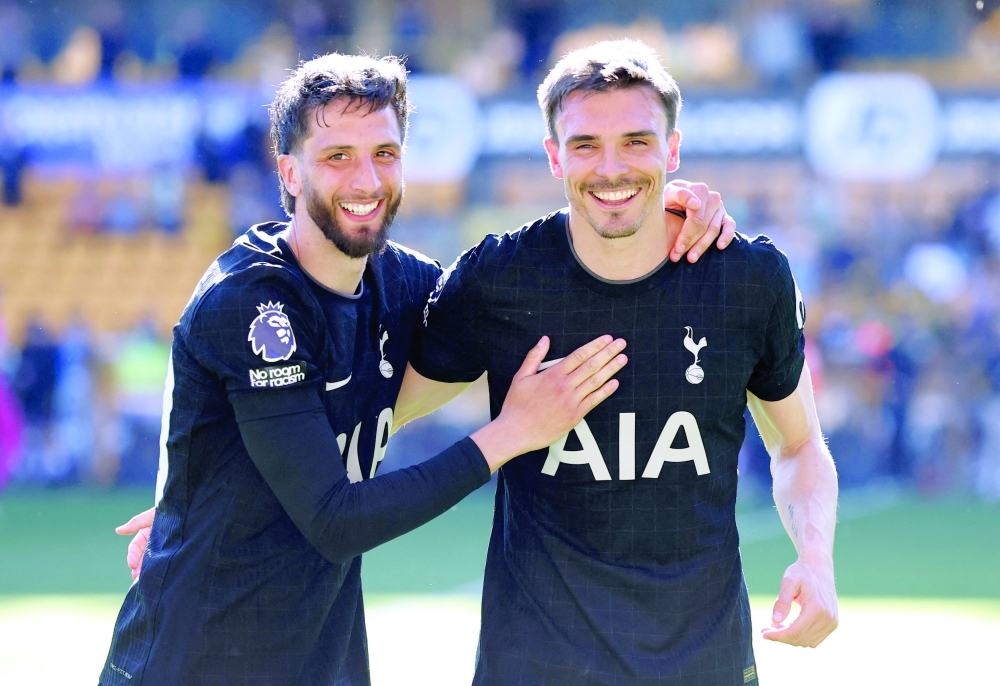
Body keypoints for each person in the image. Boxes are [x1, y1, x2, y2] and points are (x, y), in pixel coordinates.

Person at [103, 53, 733, 686]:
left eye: (384, 153)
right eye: (337, 157)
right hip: (191, 660)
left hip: (321, 659)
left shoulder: (404, 283)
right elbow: (334, 520)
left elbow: (542, 284)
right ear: (290, 173)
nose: (366, 179)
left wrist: (668, 209)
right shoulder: (254, 304)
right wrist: (509, 433)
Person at [401, 39, 839, 684]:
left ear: (674, 149)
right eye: (584, 145)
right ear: (554, 156)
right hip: (534, 666)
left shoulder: (746, 279)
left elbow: (799, 444)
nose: (611, 168)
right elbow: (382, 413)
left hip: (702, 662)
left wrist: (816, 559)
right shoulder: (501, 279)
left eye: (637, 141)